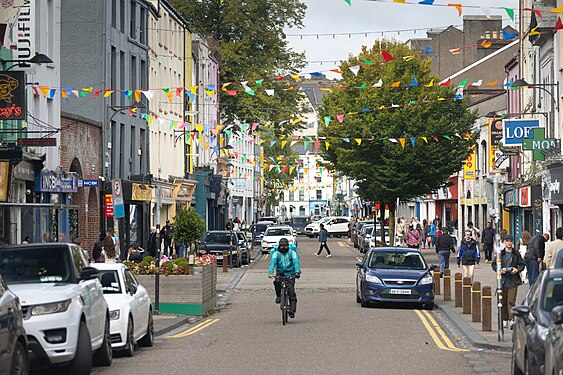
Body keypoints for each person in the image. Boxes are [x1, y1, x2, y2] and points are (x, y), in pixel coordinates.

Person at [491, 234, 525, 329]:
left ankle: (511, 319)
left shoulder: (516, 254)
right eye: (507, 241)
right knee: (503, 300)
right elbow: (494, 264)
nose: (509, 243)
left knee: (511, 300)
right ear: (504, 242)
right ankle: (504, 319)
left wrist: (517, 270)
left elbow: (522, 264)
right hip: (502, 280)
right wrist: (499, 270)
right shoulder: (500, 254)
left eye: (510, 241)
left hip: (513, 281)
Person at [268, 238, 301, 318]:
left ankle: (292, 311)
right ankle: (279, 296)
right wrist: (270, 273)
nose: (284, 248)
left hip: (291, 273)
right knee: (277, 282)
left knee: (291, 292)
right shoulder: (276, 253)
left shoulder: (292, 252)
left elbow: (296, 262)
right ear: (279, 246)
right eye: (282, 246)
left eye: (285, 246)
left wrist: (297, 272)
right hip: (280, 273)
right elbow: (272, 263)